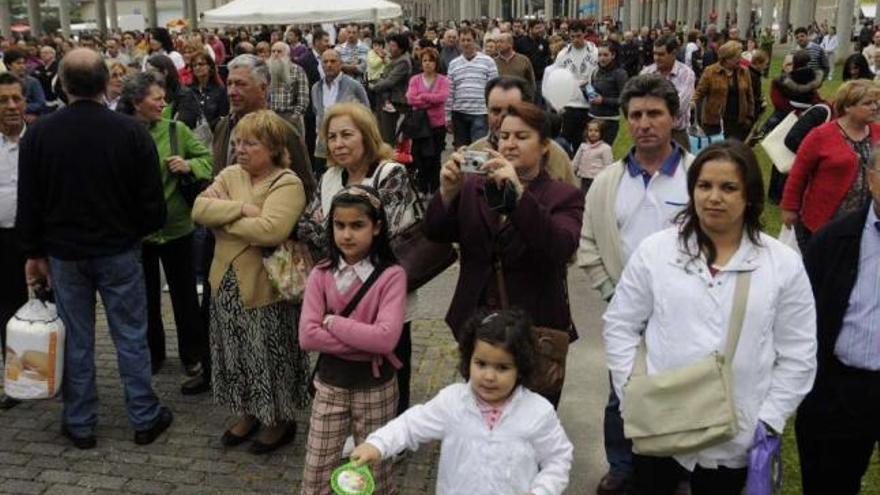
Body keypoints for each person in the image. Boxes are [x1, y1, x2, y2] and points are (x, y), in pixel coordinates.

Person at [603, 141, 817, 495]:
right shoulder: (656, 251)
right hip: (661, 426)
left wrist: (769, 418)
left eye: (728, 187)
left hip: (737, 436)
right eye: (704, 186)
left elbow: (798, 352)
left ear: (749, 195)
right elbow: (621, 324)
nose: (714, 197)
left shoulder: (782, 264)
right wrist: (631, 392)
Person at [17, 48, 173, 450]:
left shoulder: (39, 133)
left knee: (78, 339)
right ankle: (143, 415)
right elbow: (152, 201)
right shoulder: (131, 132)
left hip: (65, 254)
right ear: (107, 83)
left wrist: (34, 251)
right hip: (118, 249)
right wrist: (135, 232)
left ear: (62, 85)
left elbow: (30, 200)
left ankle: (81, 421)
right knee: (130, 334)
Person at [577, 74, 694, 495]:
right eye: (636, 115)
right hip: (626, 310)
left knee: (682, 388)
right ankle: (622, 465)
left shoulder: (697, 176)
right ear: (626, 120)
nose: (644, 123)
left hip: (687, 311)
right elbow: (587, 243)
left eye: (654, 114)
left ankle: (680, 467)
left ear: (673, 117)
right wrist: (613, 294)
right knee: (621, 392)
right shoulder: (609, 182)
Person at [425, 102, 584, 407]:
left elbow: (560, 247)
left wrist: (519, 194)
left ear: (544, 146)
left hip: (533, 329)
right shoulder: (473, 188)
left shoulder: (563, 196)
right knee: (478, 416)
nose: (510, 144)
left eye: (521, 136)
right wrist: (446, 192)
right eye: (504, 136)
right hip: (477, 322)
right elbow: (436, 232)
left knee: (529, 422)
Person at [349, 308, 574, 494]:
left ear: (521, 369)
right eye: (481, 363)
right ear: (468, 361)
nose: (489, 376)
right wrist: (377, 444)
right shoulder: (453, 402)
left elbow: (558, 459)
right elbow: (410, 425)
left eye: (502, 368)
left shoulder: (537, 412)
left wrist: (541, 490)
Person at [192, 109, 313, 454]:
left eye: (251, 143)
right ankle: (248, 413)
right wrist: (242, 211)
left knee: (268, 355)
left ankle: (278, 421)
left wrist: (222, 222)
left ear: (273, 147)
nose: (240, 149)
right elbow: (199, 210)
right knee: (234, 352)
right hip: (224, 282)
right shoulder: (231, 174)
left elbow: (272, 230)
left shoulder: (287, 182)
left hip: (266, 286)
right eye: (238, 142)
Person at [297, 103, 419, 422]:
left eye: (347, 135)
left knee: (391, 364)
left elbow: (388, 236)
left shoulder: (390, 173)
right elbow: (305, 226)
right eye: (332, 136)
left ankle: (394, 432)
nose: (338, 143)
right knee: (347, 361)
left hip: (383, 293)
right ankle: (353, 424)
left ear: (366, 135)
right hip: (339, 293)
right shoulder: (329, 178)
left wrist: (332, 233)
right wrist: (348, 236)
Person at [298, 185, 407, 495]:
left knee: (374, 472)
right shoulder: (321, 273)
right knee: (317, 469)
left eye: (357, 225)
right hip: (330, 383)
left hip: (376, 388)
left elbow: (386, 340)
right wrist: (364, 340)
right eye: (339, 225)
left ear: (377, 227)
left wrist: (332, 322)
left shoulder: (391, 275)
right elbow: (307, 336)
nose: (347, 234)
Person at [116, 71, 213, 385]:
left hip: (177, 229)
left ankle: (193, 354)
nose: (163, 103)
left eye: (163, 98)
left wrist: (190, 165)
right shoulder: (120, 132)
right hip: (137, 233)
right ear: (136, 102)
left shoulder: (176, 129)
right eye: (156, 99)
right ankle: (153, 354)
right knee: (145, 299)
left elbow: (207, 159)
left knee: (185, 296)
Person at [795, 143, 880, 495]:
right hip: (841, 389)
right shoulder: (833, 240)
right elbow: (802, 318)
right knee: (830, 484)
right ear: (871, 178)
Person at [781, 80, 880, 250]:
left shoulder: (877, 132)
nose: (875, 107)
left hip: (865, 220)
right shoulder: (821, 135)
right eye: (868, 103)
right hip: (825, 220)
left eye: (876, 102)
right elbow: (798, 174)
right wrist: (790, 207)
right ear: (848, 107)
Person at [467, 76, 578, 187]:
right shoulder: (475, 152)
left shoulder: (554, 154)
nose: (504, 119)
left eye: (512, 111)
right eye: (496, 111)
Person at [0, 72, 27, 410]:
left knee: (55, 307)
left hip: (42, 236)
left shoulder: (41, 139)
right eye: (3, 100)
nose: (10, 106)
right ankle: (17, 378)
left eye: (15, 99)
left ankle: (59, 372)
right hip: (3, 238)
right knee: (7, 308)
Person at [310, 49, 370, 176]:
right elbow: (317, 115)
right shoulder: (316, 88)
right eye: (325, 62)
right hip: (323, 146)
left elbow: (367, 115)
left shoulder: (354, 86)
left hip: (346, 146)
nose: (329, 65)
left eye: (333, 61)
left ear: (340, 63)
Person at [406, 46, 450, 194]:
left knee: (435, 158)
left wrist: (423, 97)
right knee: (419, 158)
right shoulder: (415, 79)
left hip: (437, 125)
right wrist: (430, 100)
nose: (427, 63)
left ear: (436, 63)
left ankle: (435, 189)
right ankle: (423, 189)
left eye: (431, 61)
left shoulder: (443, 80)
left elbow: (442, 97)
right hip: (419, 126)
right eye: (424, 60)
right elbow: (411, 99)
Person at [639, 36, 696, 150]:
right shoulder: (646, 73)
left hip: (676, 134)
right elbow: (639, 102)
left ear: (673, 53)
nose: (656, 58)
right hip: (650, 132)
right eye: (654, 54)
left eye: (661, 54)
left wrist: (652, 106)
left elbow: (679, 107)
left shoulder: (686, 74)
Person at [446, 27, 499, 148]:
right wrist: (447, 116)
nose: (465, 43)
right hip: (459, 113)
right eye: (463, 40)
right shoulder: (453, 64)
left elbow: (494, 89)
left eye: (469, 40)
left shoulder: (488, 61)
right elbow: (450, 91)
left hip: (480, 113)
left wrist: (493, 113)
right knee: (461, 151)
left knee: (479, 150)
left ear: (475, 41)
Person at [692, 40, 754, 142]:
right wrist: (692, 105)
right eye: (737, 57)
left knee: (732, 153)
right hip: (714, 122)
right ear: (727, 58)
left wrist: (749, 117)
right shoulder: (710, 71)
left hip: (738, 122)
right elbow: (699, 92)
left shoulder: (744, 71)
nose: (740, 59)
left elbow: (749, 96)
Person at [553, 22, 599, 148]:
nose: (575, 40)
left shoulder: (594, 52)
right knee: (565, 143)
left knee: (584, 143)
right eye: (572, 36)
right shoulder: (563, 54)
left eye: (578, 36)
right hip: (569, 104)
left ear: (585, 34)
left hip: (588, 104)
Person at [371, 33, 413, 145]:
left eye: (393, 46)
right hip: (385, 100)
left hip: (395, 103)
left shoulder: (403, 61)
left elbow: (389, 81)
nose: (390, 48)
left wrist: (373, 86)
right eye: (389, 45)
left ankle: (389, 158)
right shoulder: (394, 58)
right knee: (382, 132)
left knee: (388, 135)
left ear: (401, 48)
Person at [146, 53, 202, 130]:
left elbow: (183, 125)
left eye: (151, 72)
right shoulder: (149, 94)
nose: (148, 76)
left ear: (165, 72)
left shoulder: (184, 95)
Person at [268, 41, 310, 139]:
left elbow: (303, 98)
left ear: (287, 54)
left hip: (291, 118)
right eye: (273, 51)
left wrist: (294, 117)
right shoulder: (266, 71)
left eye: (279, 51)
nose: (275, 54)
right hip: (271, 118)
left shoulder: (298, 70)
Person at [589, 41, 628, 146]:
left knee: (603, 153)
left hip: (609, 120)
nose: (602, 58)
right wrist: (586, 90)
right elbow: (592, 93)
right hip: (593, 117)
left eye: (606, 55)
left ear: (613, 55)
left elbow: (624, 99)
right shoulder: (595, 72)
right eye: (600, 55)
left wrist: (603, 100)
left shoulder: (620, 74)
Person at [188, 50, 229, 130]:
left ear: (210, 66)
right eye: (194, 65)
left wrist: (206, 128)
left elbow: (223, 117)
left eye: (201, 64)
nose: (197, 67)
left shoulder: (220, 91)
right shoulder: (188, 91)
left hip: (214, 134)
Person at [3, 48, 45, 122]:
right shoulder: (2, 81)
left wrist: (22, 108)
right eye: (18, 63)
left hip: (29, 118)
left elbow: (40, 103)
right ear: (9, 65)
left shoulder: (33, 82)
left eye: (24, 63)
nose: (22, 66)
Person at [572, 120, 613, 194]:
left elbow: (608, 166)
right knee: (583, 198)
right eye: (590, 130)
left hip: (597, 180)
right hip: (584, 179)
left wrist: (606, 179)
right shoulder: (583, 146)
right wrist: (571, 171)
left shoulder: (605, 148)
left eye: (596, 131)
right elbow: (575, 162)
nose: (593, 133)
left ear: (602, 133)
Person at [493, 32, 536, 98]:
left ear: (510, 44)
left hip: (520, 100)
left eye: (501, 42)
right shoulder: (493, 62)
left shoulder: (524, 60)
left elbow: (531, 83)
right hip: (500, 100)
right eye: (497, 42)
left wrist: (529, 99)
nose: (498, 45)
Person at [33, 46, 60, 112]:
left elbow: (48, 81)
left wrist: (40, 75)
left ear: (53, 54)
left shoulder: (58, 66)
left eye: (46, 53)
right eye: (41, 53)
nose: (43, 55)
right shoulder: (39, 68)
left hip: (53, 100)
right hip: (41, 98)